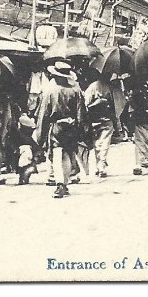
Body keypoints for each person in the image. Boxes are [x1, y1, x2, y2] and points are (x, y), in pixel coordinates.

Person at [34, 58, 90, 198]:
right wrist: (83, 130)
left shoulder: (49, 92)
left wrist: (40, 135)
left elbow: (43, 115)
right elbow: (81, 113)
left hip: (57, 127)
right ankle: (64, 182)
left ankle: (60, 184)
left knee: (57, 155)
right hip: (71, 127)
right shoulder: (75, 91)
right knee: (67, 154)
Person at [122, 78, 148, 175]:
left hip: (141, 118)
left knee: (140, 142)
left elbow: (132, 108)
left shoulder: (135, 93)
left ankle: (141, 164)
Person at [84, 73, 118, 178]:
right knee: (105, 142)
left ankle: (99, 165)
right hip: (107, 118)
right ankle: (101, 164)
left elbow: (86, 103)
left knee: (97, 143)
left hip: (94, 119)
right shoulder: (111, 87)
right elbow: (116, 104)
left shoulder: (92, 86)